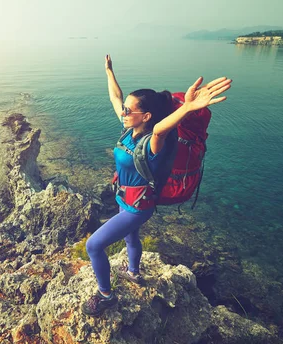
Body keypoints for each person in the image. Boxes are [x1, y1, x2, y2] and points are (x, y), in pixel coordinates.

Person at [81, 55, 232, 317]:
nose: (124, 113)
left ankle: (106, 296)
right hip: (123, 199)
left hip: (137, 207)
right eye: (125, 110)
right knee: (131, 238)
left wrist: (187, 107)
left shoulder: (153, 142)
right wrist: (109, 72)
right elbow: (115, 98)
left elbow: (162, 128)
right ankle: (134, 273)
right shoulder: (129, 129)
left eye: (130, 111)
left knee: (93, 246)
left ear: (146, 116)